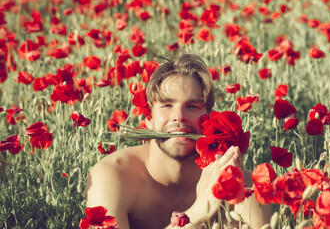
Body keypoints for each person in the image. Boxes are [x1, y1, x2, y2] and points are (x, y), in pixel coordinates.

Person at [86, 51, 273, 229]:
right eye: (167, 105)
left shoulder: (241, 184)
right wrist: (198, 213)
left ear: (209, 118)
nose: (179, 116)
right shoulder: (113, 176)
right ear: (149, 119)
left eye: (192, 106)